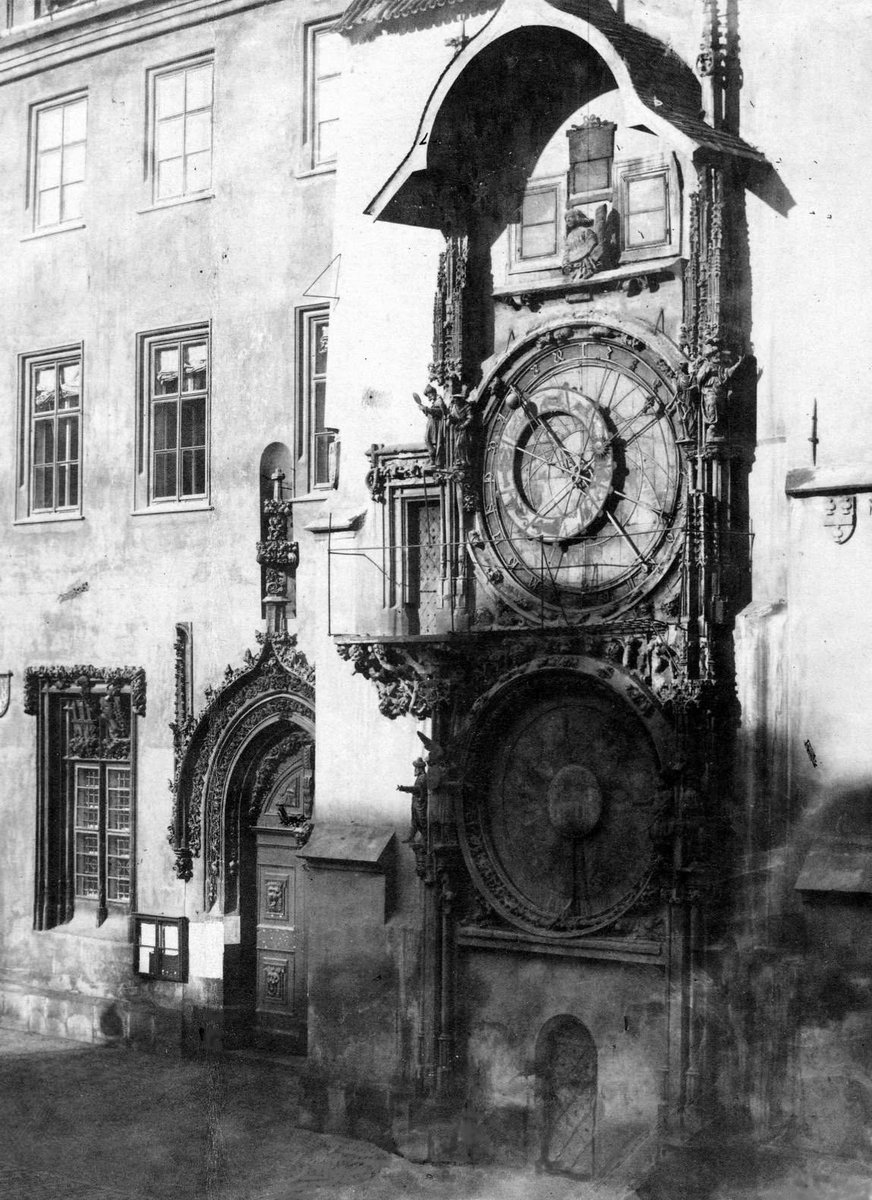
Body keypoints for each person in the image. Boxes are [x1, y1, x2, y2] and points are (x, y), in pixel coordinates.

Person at [412, 382, 448, 467]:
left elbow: (439, 412)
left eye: (430, 394)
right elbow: (431, 413)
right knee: (427, 439)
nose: (429, 397)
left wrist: (426, 409)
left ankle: (436, 459)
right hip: (432, 424)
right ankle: (432, 457)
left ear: (434, 392)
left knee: (435, 442)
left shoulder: (439, 401)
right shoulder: (434, 401)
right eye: (428, 395)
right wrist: (424, 409)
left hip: (437, 425)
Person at [398, 758, 428, 843]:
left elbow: (417, 789)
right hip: (416, 803)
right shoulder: (420, 777)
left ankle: (426, 839)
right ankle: (411, 837)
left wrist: (404, 788)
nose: (415, 770)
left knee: (422, 822)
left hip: (420, 804)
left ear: (420, 769)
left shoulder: (423, 778)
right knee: (415, 821)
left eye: (416, 768)